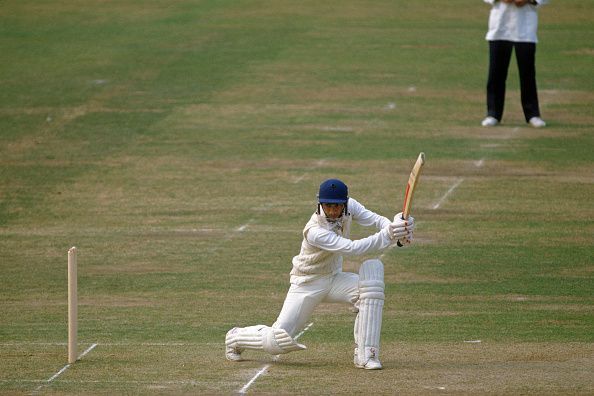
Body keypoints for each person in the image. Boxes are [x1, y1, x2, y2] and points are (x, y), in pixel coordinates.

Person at [225, 178, 415, 370]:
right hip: (308, 283)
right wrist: (390, 235)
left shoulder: (351, 206)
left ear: (344, 204)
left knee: (370, 289)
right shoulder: (315, 231)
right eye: (327, 206)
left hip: (334, 279)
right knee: (277, 341)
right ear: (320, 204)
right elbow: (353, 248)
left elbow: (376, 220)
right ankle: (235, 337)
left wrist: (397, 225)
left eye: (337, 206)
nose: (332, 210)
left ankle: (366, 355)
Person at [481, 0, 549, 128]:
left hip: (525, 27)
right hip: (500, 26)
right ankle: (493, 114)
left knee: (527, 73)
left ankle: (532, 114)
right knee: (496, 72)